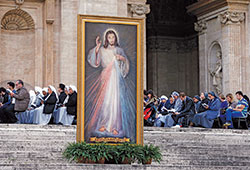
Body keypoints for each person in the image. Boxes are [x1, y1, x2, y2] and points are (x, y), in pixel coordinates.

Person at [85, 29, 136, 142]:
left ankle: (114, 127)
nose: (111, 39)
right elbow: (95, 62)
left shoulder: (119, 50)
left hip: (115, 79)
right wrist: (97, 48)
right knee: (105, 102)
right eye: (109, 37)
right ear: (106, 39)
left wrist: (122, 59)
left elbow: (125, 64)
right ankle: (103, 123)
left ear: (115, 38)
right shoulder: (102, 50)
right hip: (105, 77)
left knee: (115, 103)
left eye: (113, 37)